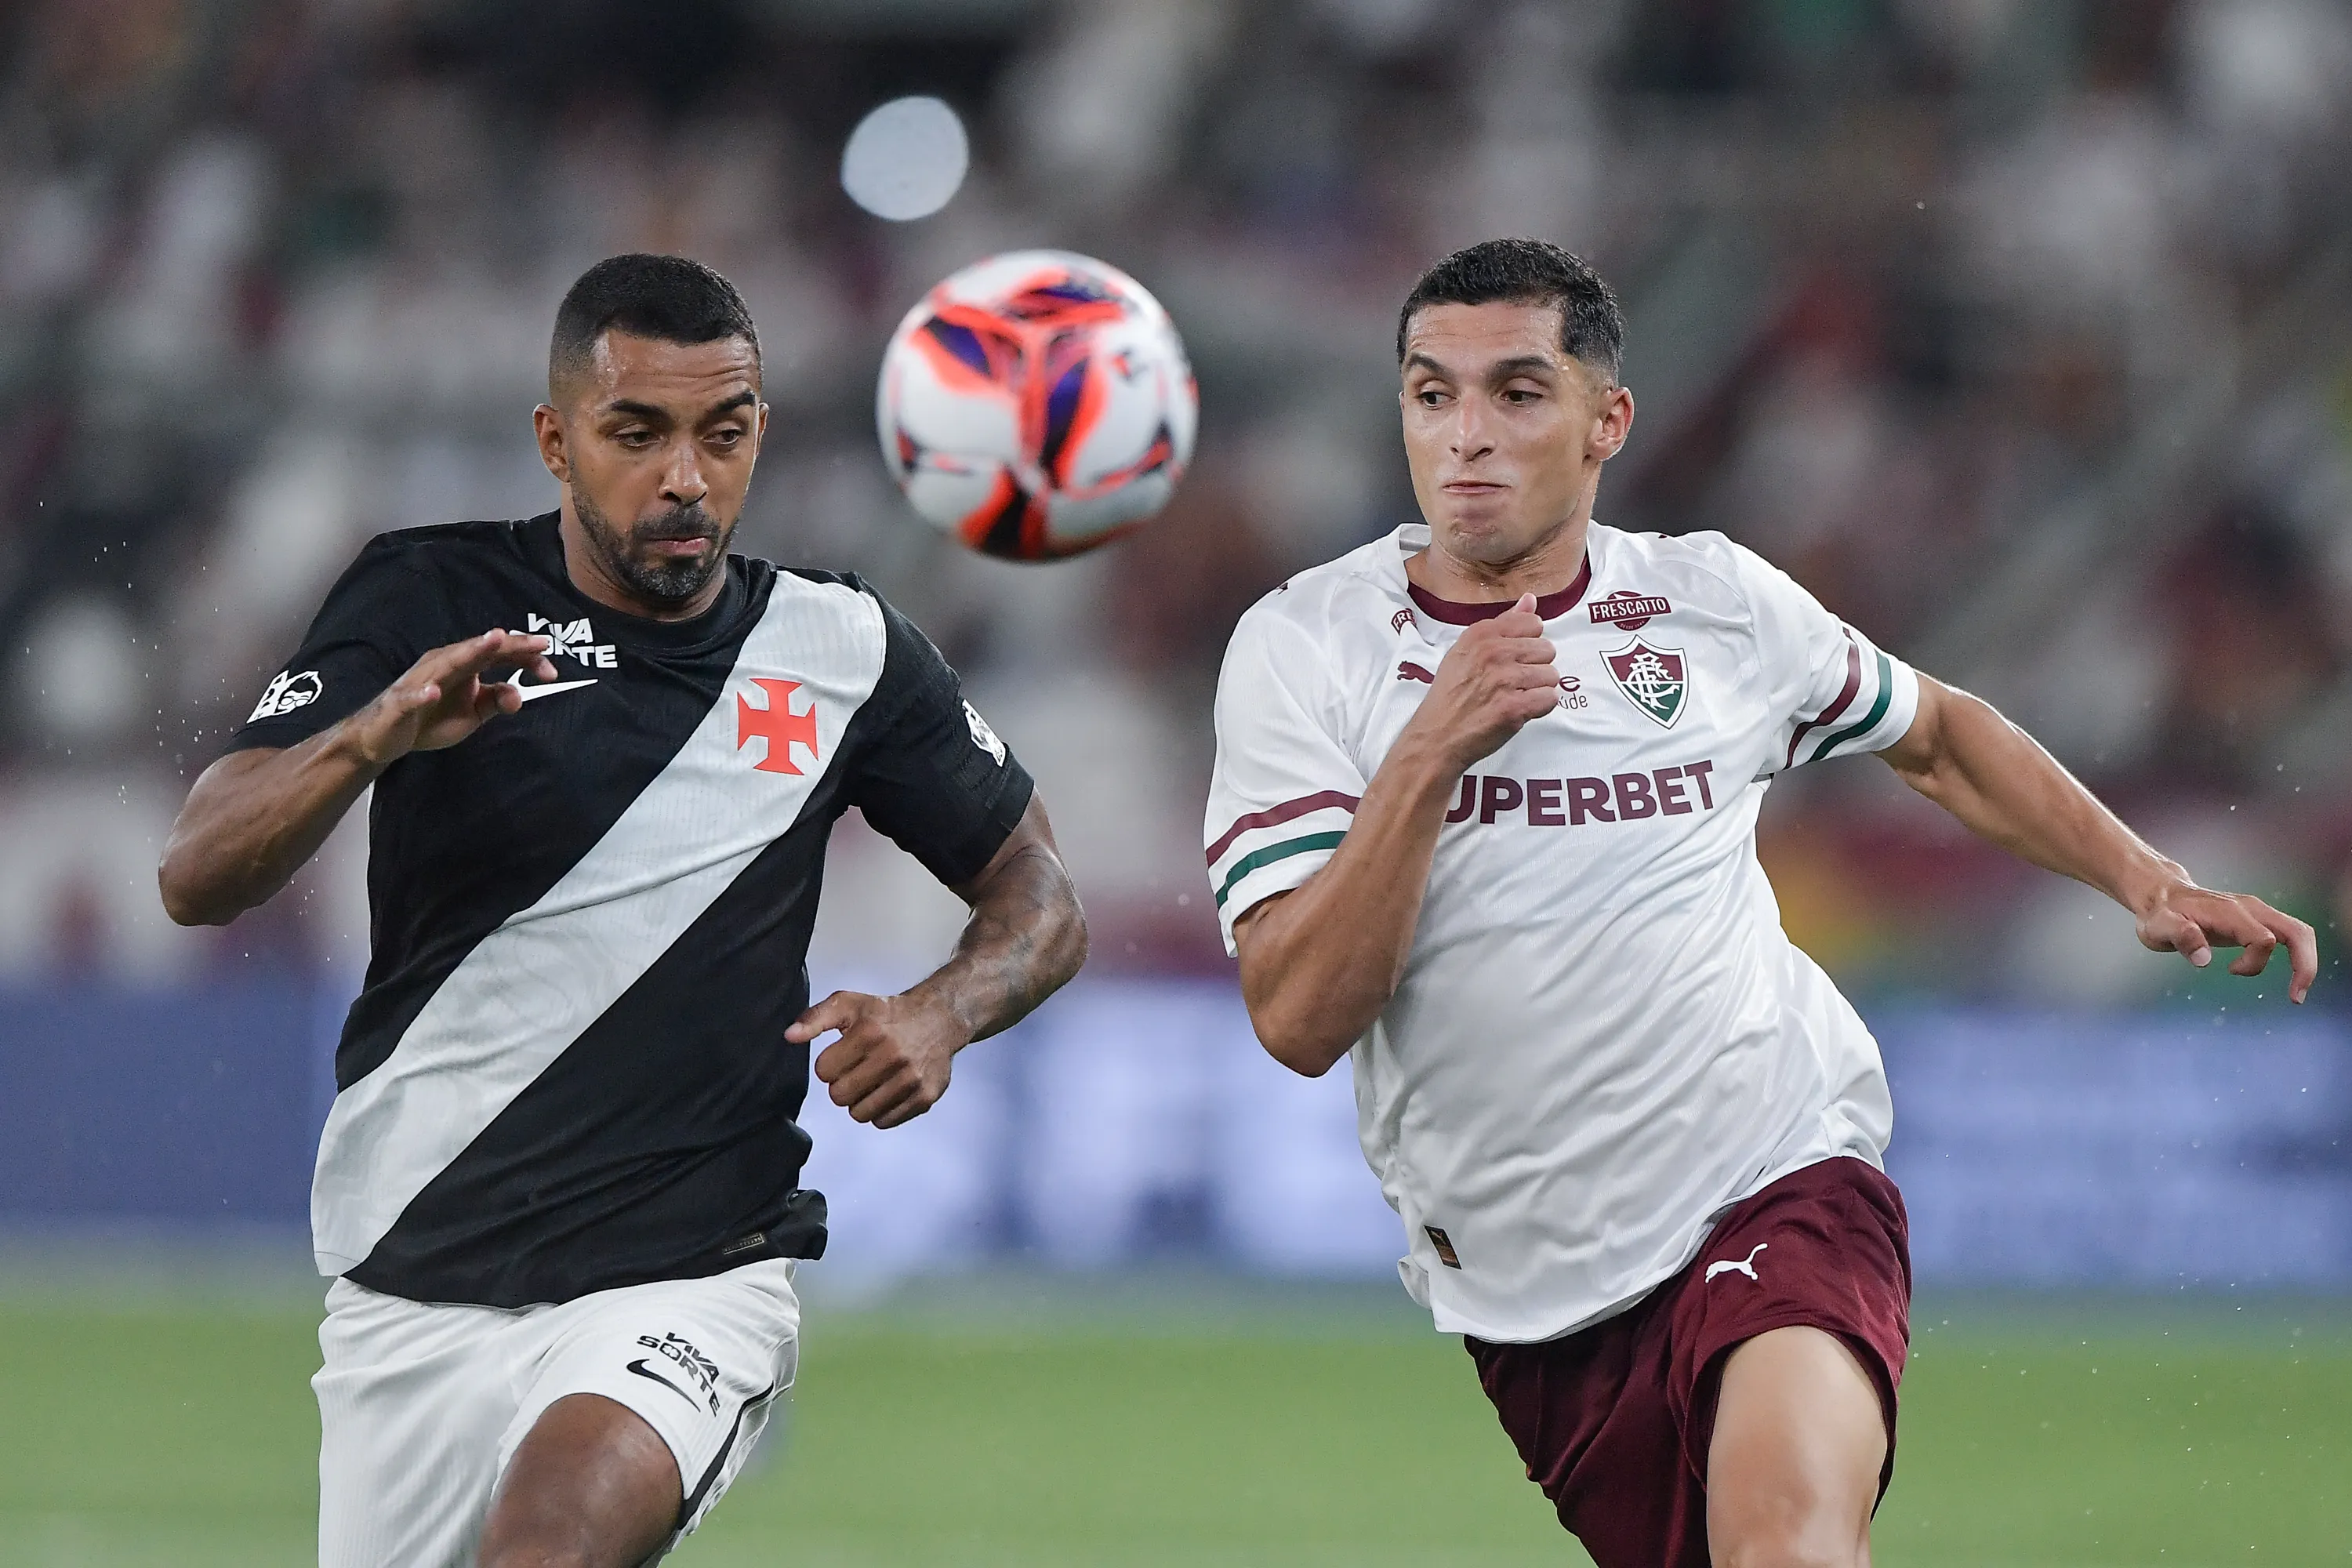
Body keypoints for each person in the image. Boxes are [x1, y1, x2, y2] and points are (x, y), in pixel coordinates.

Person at [1204, 237, 2314, 1568]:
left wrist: (2147, 877)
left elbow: (1935, 735)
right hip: (1533, 1300)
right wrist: (1429, 757)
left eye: (1518, 392)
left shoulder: (1712, 603)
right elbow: (1299, 1018)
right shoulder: (1306, 648)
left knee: (1784, 1545)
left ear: (1608, 421)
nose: (1467, 436)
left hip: (1777, 1175)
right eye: (1432, 395)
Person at [159, 253, 1087, 1568]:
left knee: (549, 1548)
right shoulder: (426, 599)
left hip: (687, 1279)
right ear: (556, 441)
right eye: (638, 433)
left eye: (723, 433)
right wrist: (371, 737)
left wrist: (943, 1011)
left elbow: (1041, 894)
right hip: (412, 1284)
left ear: (760, 432)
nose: (686, 478)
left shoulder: (841, 649)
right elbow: (198, 875)